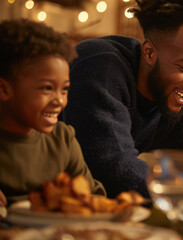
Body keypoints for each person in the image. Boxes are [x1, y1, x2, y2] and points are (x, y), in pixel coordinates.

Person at [61, 0, 183, 198]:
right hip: (33, 205)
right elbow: (116, 170)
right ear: (149, 52)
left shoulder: (169, 98)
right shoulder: (101, 66)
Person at [0, 19, 105, 206]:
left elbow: (92, 199)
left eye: (64, 89)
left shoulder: (63, 139)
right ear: (4, 89)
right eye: (47, 88)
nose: (60, 101)